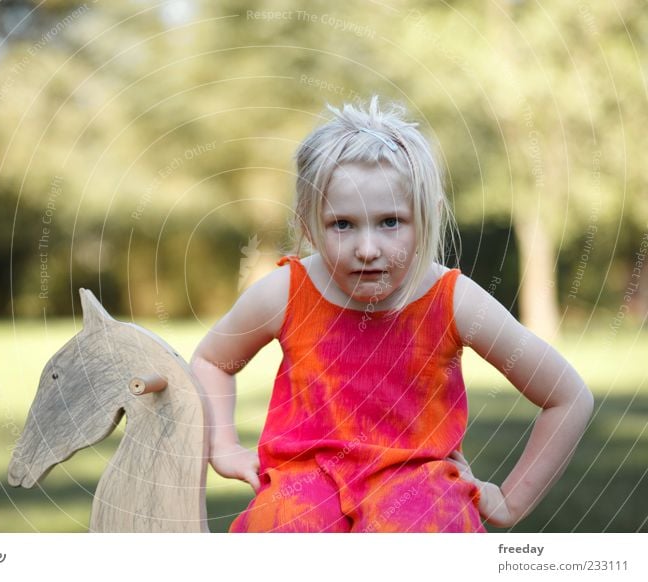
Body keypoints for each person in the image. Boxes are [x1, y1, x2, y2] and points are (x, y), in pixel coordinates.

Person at [190, 96, 593, 532]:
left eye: (390, 222)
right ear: (308, 225)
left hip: (417, 483)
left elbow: (567, 396)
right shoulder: (286, 294)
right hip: (304, 482)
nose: (367, 249)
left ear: (426, 218)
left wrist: (511, 502)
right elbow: (214, 359)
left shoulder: (453, 301)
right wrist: (224, 446)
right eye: (342, 224)